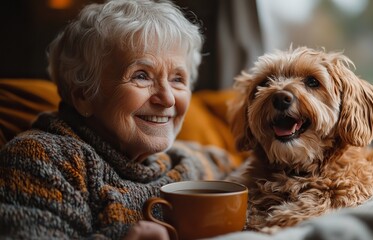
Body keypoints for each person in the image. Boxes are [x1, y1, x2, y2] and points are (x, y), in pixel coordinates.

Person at [0, 0, 234, 239]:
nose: (168, 99)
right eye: (141, 75)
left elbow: (248, 169)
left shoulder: (186, 160)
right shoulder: (45, 159)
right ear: (83, 94)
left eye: (177, 79)